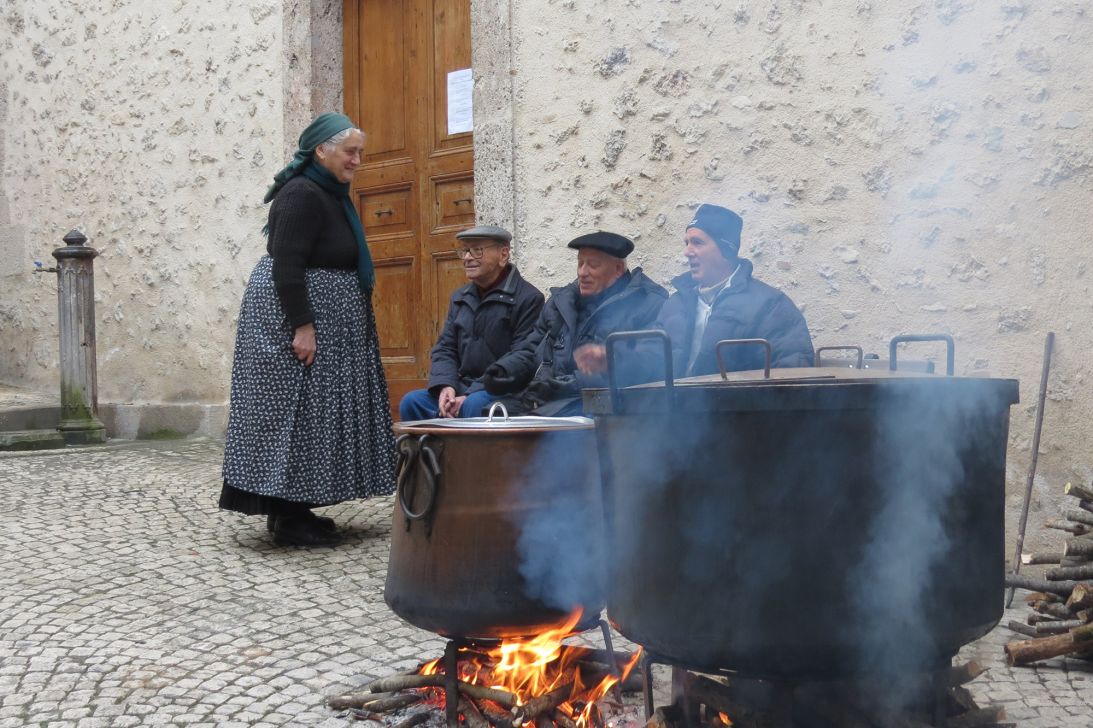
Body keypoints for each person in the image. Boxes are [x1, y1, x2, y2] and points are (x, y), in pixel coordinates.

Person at [219, 112, 397, 547]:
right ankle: (286, 514)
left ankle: (294, 509)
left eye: (360, 152)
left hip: (324, 319)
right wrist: (303, 326)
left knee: (310, 416)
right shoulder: (301, 194)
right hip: (296, 320)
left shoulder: (329, 193)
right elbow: (287, 265)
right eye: (350, 151)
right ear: (322, 150)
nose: (357, 160)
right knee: (292, 414)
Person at [484, 231, 668, 416]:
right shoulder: (561, 302)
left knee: (533, 430)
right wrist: (506, 369)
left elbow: (650, 363)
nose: (582, 272)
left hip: (602, 404)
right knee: (486, 413)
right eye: (580, 263)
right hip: (545, 396)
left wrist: (605, 361)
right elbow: (532, 349)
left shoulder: (647, 303)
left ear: (618, 269)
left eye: (592, 265)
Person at [398, 225, 544, 420]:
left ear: (503, 254)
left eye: (477, 250)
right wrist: (446, 386)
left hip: (505, 392)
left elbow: (523, 357)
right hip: (463, 387)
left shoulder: (528, 298)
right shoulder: (460, 297)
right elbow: (445, 348)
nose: (467, 257)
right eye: (465, 250)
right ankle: (431, 451)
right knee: (412, 402)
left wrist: (469, 394)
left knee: (474, 406)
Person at [652, 203, 813, 378]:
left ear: (726, 251)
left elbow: (792, 374)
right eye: (687, 243)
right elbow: (648, 362)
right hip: (669, 404)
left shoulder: (771, 306)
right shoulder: (675, 304)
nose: (687, 252)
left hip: (737, 404)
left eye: (697, 243)